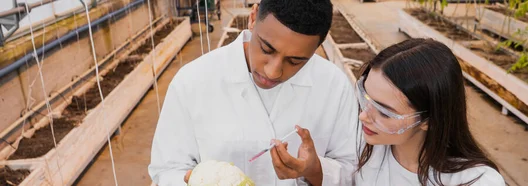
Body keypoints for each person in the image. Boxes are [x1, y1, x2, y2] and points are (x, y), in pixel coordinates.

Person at [148, 0, 358, 185]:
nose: (273, 71)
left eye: (295, 61)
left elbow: (353, 169)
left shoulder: (333, 85)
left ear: (316, 49)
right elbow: (167, 169)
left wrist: (315, 171)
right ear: (252, 17)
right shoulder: (193, 81)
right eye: (267, 49)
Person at [353, 38, 505, 186]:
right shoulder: (367, 145)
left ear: (429, 120)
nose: (363, 116)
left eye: (384, 112)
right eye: (365, 97)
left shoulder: (478, 181)